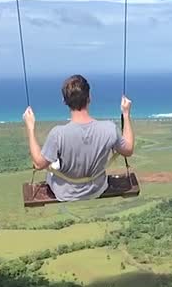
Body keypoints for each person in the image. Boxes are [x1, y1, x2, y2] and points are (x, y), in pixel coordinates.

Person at [23, 74, 134, 202]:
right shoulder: (109, 128)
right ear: (89, 98)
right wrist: (125, 114)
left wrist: (30, 128)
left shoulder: (58, 134)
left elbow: (38, 164)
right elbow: (128, 149)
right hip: (96, 188)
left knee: (53, 162)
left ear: (65, 101)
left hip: (64, 192)